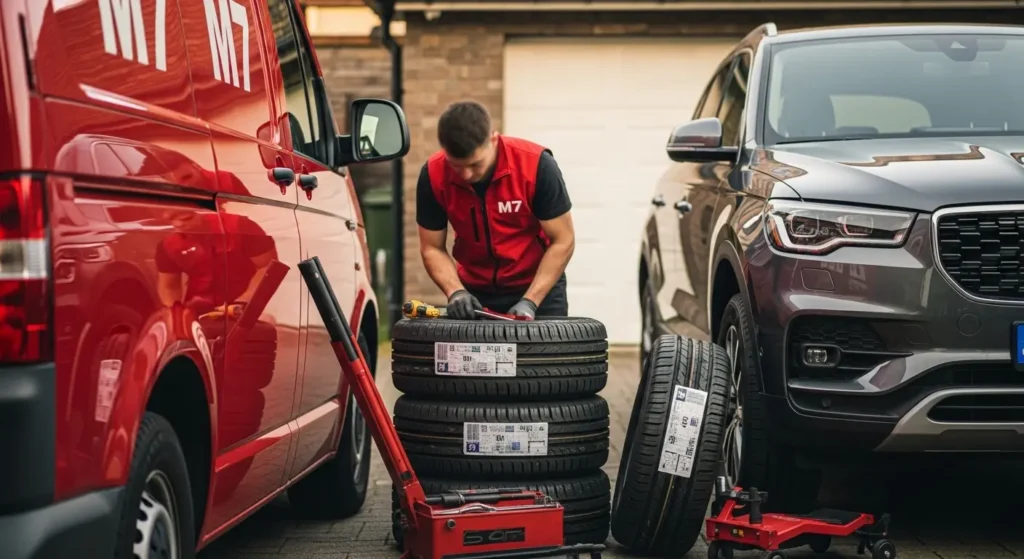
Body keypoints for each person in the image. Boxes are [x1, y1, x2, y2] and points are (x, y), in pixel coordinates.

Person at [416, 100, 575, 320]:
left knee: (539, 356)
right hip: (475, 295)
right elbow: (432, 247)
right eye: (456, 166)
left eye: (475, 164)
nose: (466, 175)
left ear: (493, 139)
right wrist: (455, 291)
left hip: (538, 289)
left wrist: (531, 300)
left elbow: (563, 239)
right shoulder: (433, 174)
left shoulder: (536, 166)